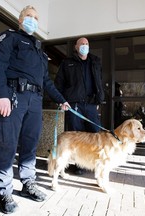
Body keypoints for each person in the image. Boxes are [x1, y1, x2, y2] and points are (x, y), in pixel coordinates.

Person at [0, 5, 70, 214]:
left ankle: (27, 184)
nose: (33, 19)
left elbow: (46, 81)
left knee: (30, 145)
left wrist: (61, 100)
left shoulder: (40, 52)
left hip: (35, 101)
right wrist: (2, 95)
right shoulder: (11, 37)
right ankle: (5, 191)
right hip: (14, 96)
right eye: (29, 16)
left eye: (36, 17)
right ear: (20, 20)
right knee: (8, 144)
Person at [54, 37, 105, 174]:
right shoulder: (67, 63)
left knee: (95, 134)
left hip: (91, 104)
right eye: (82, 43)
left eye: (87, 43)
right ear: (76, 47)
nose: (84, 45)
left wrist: (99, 100)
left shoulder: (95, 61)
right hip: (73, 105)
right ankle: (79, 165)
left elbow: (99, 82)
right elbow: (59, 83)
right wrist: (61, 100)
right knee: (77, 136)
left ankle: (94, 163)